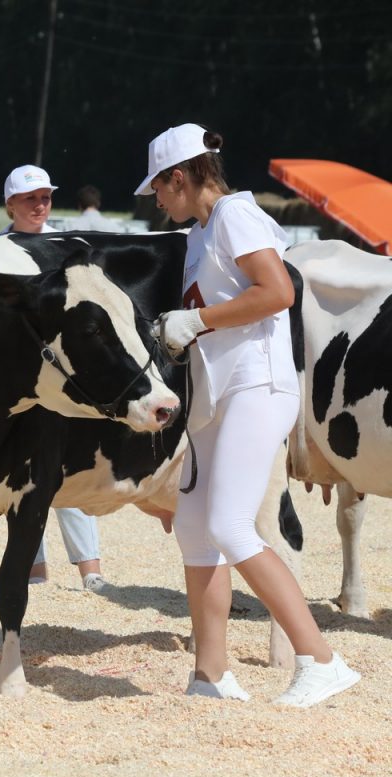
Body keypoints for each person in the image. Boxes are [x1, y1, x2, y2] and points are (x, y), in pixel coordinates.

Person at [142, 123, 359, 706]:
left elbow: (278, 292)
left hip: (258, 386)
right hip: (220, 393)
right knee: (193, 525)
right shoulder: (199, 234)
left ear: (179, 178)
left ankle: (321, 660)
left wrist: (199, 321)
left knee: (231, 525)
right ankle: (211, 674)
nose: (155, 199)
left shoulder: (236, 215)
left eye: (158, 188)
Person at [0, 164, 107, 591]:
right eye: (30, 198)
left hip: (64, 380)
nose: (40, 205)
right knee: (20, 477)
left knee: (68, 471)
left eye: (45, 197)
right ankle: (34, 569)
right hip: (16, 382)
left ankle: (91, 571)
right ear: (10, 204)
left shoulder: (69, 247)